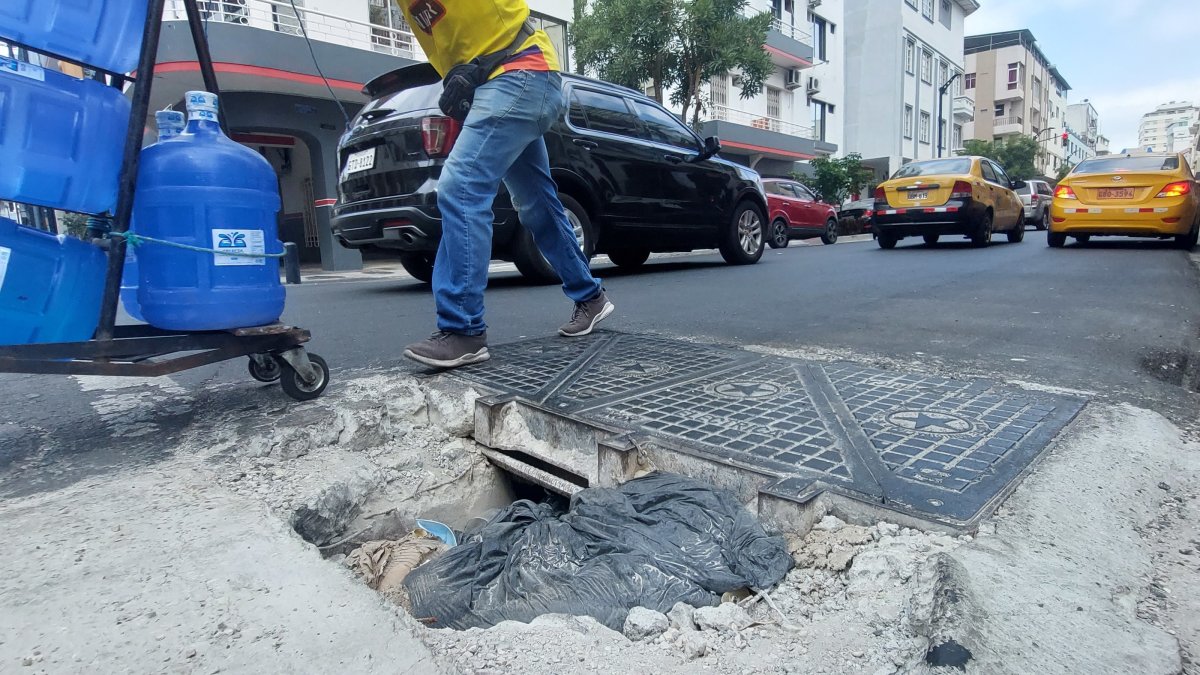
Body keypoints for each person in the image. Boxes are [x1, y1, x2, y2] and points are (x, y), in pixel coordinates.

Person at [398, 0, 614, 369]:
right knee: (536, 203)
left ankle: (463, 330)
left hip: (522, 70)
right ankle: (589, 295)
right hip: (499, 82)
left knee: (461, 187)